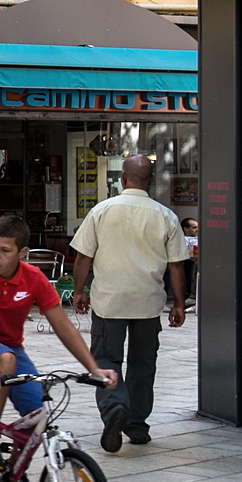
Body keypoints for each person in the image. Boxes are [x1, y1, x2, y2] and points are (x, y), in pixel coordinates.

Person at [0, 215, 117, 482]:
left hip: (9, 347)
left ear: (22, 253)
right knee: (4, 360)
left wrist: (93, 368)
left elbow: (63, 326)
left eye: (5, 250)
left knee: (38, 412)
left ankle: (14, 475)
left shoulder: (34, 278)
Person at [71, 155, 189, 452]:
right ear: (151, 181)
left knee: (106, 361)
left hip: (109, 302)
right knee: (143, 364)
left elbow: (83, 257)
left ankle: (114, 410)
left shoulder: (101, 210)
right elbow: (176, 266)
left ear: (122, 179)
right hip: (147, 304)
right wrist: (178, 303)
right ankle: (136, 425)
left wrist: (79, 291)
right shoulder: (166, 216)